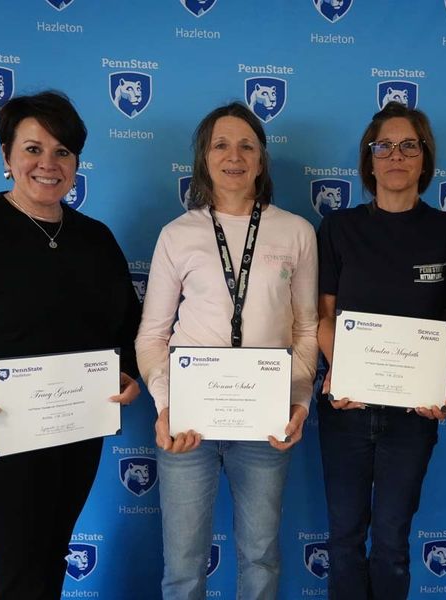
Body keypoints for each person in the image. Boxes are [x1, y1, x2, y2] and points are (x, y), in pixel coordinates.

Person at [0, 91, 141, 599]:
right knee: (20, 562)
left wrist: (127, 372)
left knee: (48, 554)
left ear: (77, 161)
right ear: (6, 157)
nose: (48, 164)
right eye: (33, 149)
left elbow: (126, 327)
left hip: (76, 428)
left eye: (62, 152)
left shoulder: (95, 240)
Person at [135, 101, 318, 600]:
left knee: (260, 558)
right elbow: (151, 336)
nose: (233, 156)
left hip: (265, 420)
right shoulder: (178, 235)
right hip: (188, 419)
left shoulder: (296, 232)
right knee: (183, 566)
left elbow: (306, 330)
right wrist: (165, 404)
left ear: (261, 160)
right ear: (204, 159)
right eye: (221, 144)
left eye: (246, 145)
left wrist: (298, 402)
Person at [316, 101, 446, 600]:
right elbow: (324, 317)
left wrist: (444, 384)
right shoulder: (339, 228)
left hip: (412, 415)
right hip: (347, 411)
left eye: (409, 145)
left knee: (391, 543)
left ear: (424, 159)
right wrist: (341, 372)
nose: (396, 155)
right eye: (383, 146)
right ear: (370, 159)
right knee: (343, 541)